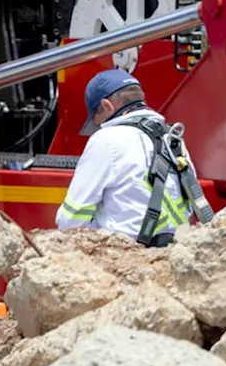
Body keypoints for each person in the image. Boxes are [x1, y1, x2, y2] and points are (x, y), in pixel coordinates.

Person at [56, 69, 214, 246]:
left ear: (107, 106)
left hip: (129, 254)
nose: (99, 126)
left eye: (96, 120)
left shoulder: (106, 140)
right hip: (176, 248)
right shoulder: (172, 137)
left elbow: (71, 219)